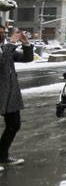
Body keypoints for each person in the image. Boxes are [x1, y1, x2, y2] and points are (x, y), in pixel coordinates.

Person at [1, 27, 33, 170]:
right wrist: (12, 43)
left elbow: (27, 58)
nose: (2, 36)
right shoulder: (6, 49)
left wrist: (25, 44)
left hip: (9, 94)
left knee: (14, 125)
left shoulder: (4, 48)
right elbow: (3, 62)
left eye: (3, 33)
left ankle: (2, 156)